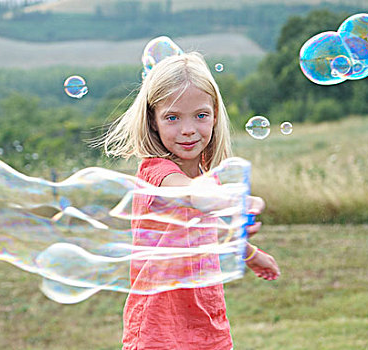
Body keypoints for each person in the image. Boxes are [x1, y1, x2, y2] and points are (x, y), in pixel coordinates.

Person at [101, 52, 280, 350]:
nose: (188, 129)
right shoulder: (156, 173)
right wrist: (236, 199)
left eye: (200, 115)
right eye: (172, 117)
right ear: (153, 121)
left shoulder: (208, 176)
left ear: (215, 115)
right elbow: (192, 195)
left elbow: (211, 232)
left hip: (207, 319)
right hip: (159, 326)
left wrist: (250, 254)